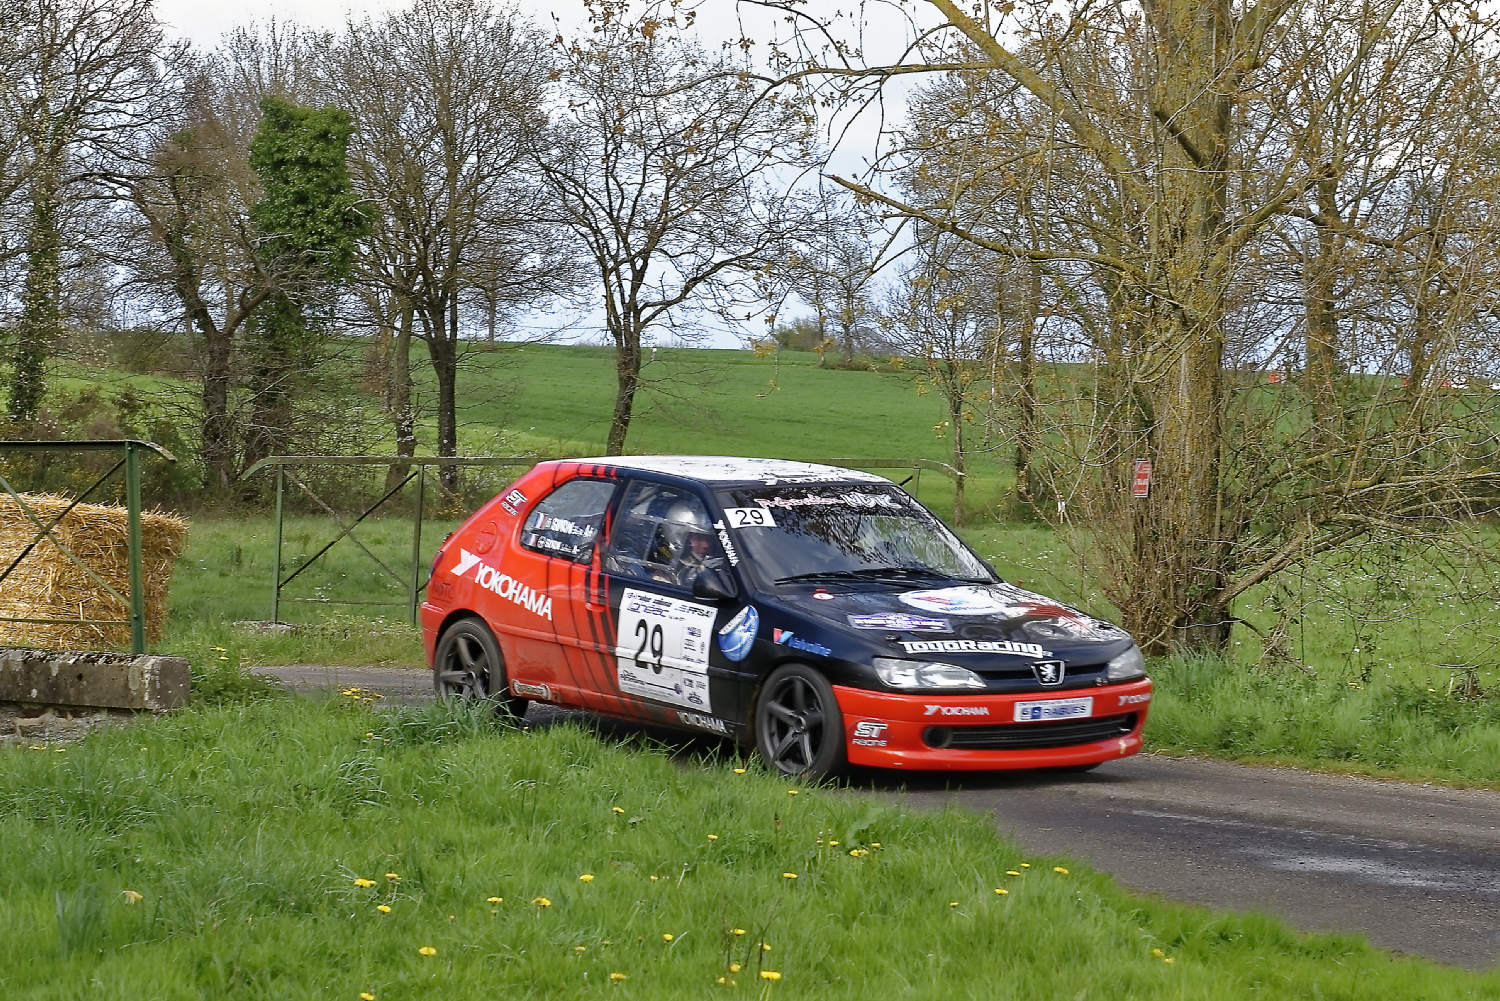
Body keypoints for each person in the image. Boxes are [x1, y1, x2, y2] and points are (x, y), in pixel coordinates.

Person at [660, 500, 724, 587]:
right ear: (677, 535)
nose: (706, 545)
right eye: (698, 538)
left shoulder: (719, 566)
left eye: (709, 538)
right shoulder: (660, 563)